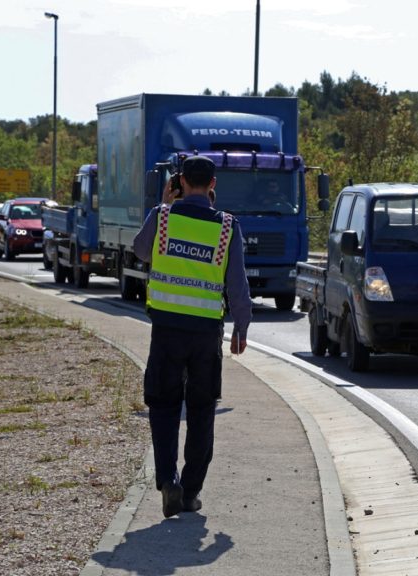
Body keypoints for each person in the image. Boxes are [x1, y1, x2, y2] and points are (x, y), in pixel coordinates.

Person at [134, 156, 252, 518]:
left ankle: (169, 480)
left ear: (180, 181)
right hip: (205, 334)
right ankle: (191, 491)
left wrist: (165, 206)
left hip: (167, 330)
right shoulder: (228, 227)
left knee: (164, 407)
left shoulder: (163, 217)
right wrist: (241, 327)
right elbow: (237, 284)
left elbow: (140, 250)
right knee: (201, 411)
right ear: (213, 183)